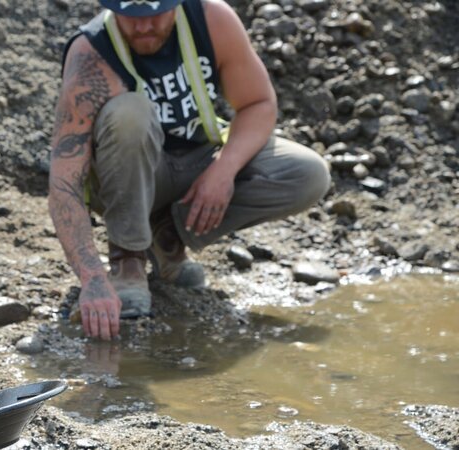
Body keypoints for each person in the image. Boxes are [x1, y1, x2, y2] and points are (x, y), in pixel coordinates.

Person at [48, 0, 331, 340]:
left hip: (198, 163)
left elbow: (258, 103)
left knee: (308, 173)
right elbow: (64, 180)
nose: (143, 27)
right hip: (127, 179)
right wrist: (92, 278)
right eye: (132, 17)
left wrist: (224, 170)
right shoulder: (91, 53)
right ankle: (128, 257)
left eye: (154, 15)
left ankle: (167, 235)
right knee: (129, 114)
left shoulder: (212, 20)